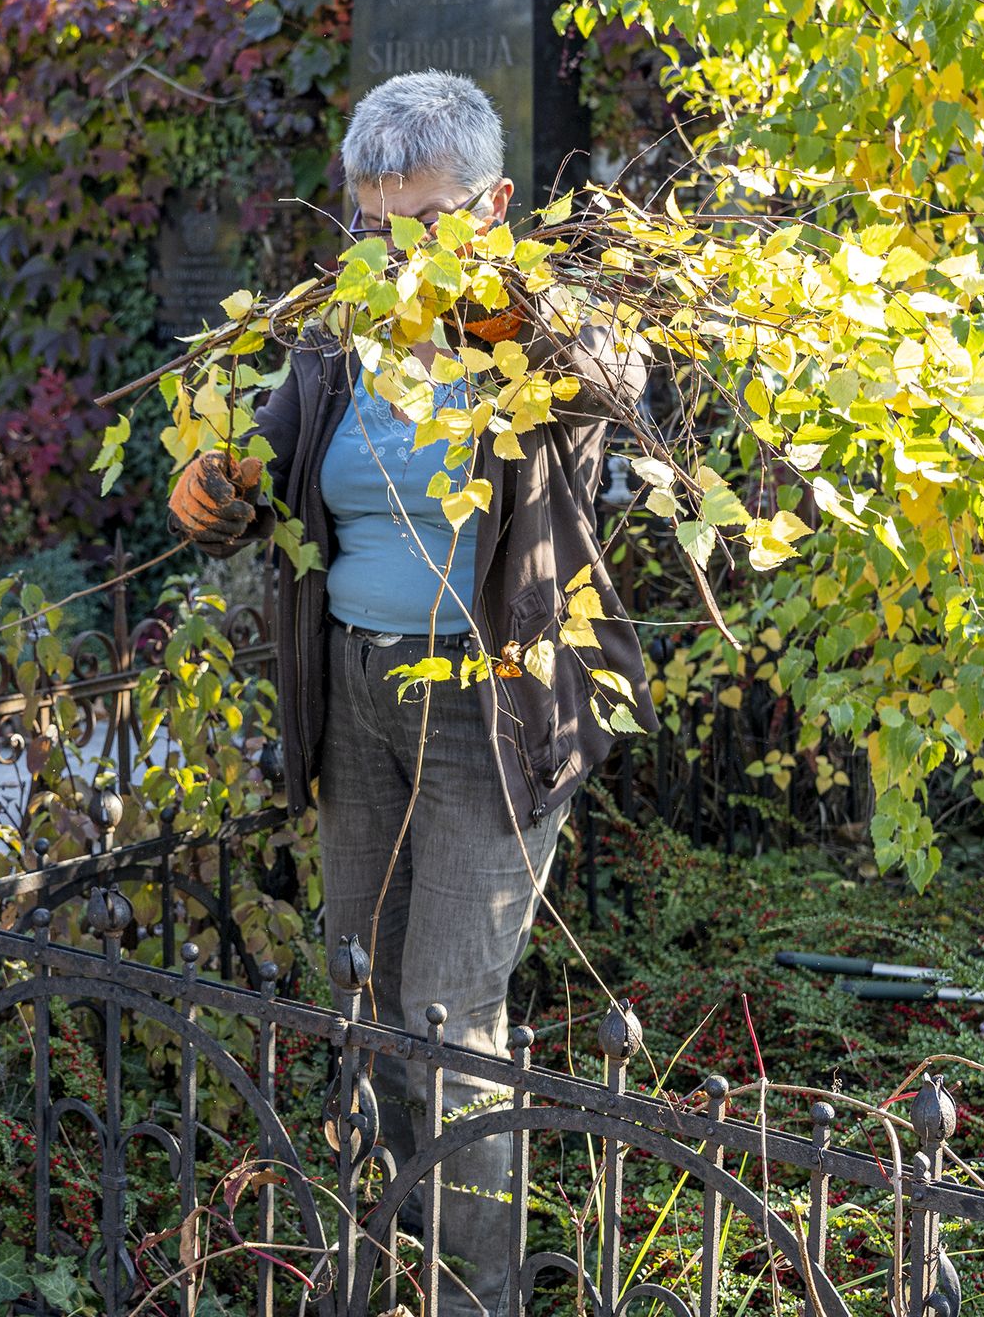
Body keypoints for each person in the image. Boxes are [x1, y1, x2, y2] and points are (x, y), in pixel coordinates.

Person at [166, 72, 656, 1316]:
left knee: (449, 1010)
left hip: (489, 706)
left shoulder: (544, 327)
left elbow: (613, 384)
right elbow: (266, 475)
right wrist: (214, 492)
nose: (393, 253)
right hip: (354, 694)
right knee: (365, 984)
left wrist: (489, 309)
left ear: (492, 208)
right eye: (373, 228)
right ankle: (392, 1253)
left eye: (425, 222)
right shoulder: (337, 340)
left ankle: (478, 1292)